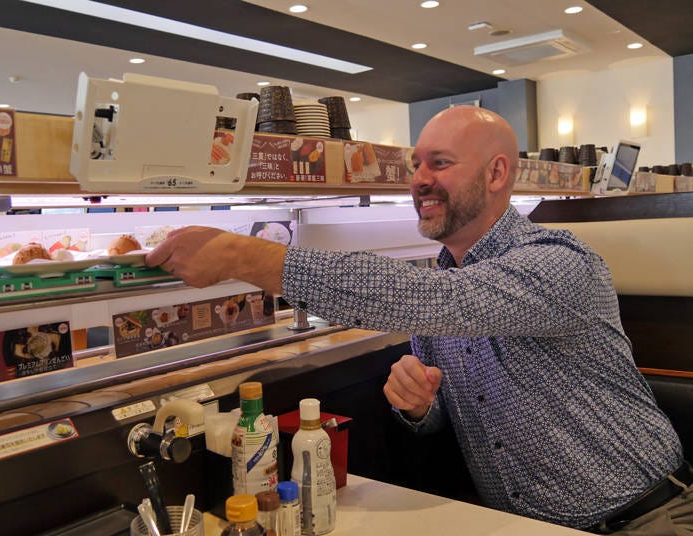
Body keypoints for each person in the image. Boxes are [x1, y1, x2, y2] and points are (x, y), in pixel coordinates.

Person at [147, 106, 693, 534]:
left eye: (440, 162)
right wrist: (420, 407)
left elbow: (444, 301)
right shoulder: (441, 277)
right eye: (415, 165)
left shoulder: (558, 261)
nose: (418, 179)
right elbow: (441, 407)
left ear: (497, 172)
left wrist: (245, 257)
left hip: (643, 517)